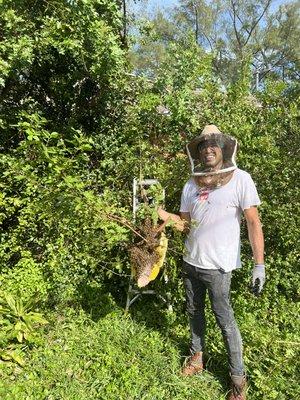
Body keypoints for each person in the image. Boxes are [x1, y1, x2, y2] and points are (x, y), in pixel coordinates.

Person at [158, 124, 265, 400]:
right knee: (194, 312)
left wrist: (259, 264)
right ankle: (196, 359)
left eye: (213, 144)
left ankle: (238, 382)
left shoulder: (241, 179)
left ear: (224, 149)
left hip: (218, 267)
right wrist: (158, 213)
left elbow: (253, 221)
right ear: (198, 152)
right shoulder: (191, 184)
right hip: (191, 261)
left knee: (225, 321)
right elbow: (183, 223)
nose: (208, 149)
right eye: (203, 146)